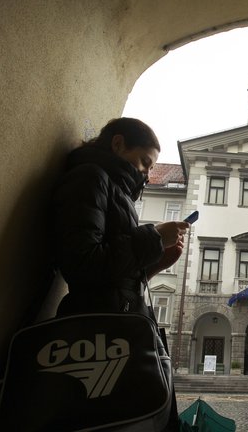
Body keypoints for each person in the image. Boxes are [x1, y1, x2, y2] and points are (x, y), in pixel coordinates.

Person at [52, 117, 189, 430]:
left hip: (116, 327)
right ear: (117, 144)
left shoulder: (115, 190)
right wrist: (154, 238)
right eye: (143, 161)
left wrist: (154, 265)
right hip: (101, 334)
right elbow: (82, 263)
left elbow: (114, 276)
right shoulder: (90, 178)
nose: (145, 172)